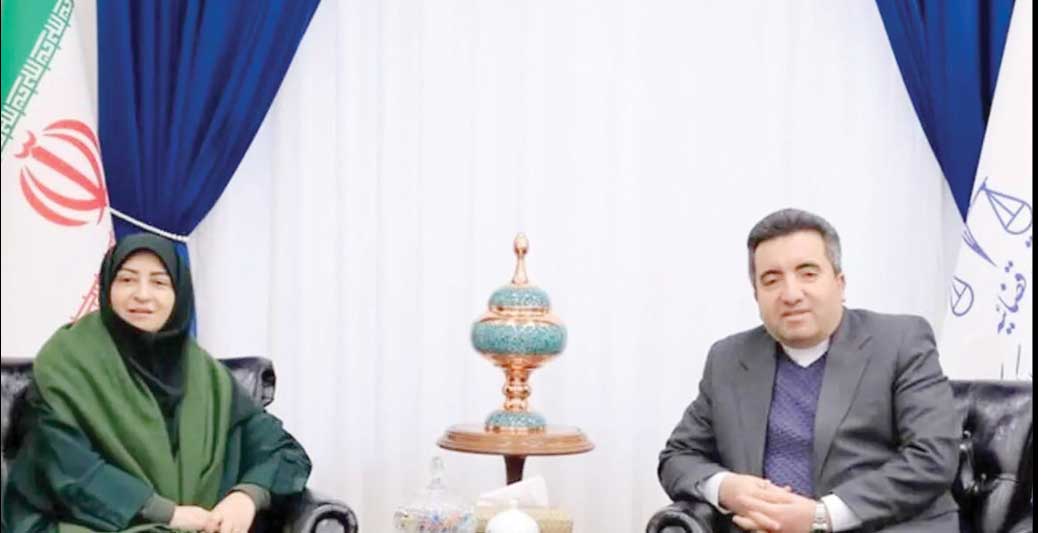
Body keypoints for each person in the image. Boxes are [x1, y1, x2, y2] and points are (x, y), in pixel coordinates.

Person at [658, 208, 960, 533]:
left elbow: (933, 456)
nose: (791, 294)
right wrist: (726, 487)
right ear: (756, 295)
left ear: (840, 283)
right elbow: (678, 456)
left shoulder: (900, 341)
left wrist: (822, 517)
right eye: (771, 280)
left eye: (808, 273)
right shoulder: (729, 359)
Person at [2, 233, 312, 533]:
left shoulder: (205, 373)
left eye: (159, 282)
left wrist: (246, 496)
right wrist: (167, 513)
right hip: (90, 522)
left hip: (200, 525)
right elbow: (64, 466)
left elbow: (281, 450)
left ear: (180, 294)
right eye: (127, 280)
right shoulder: (66, 361)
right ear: (107, 287)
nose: (142, 294)